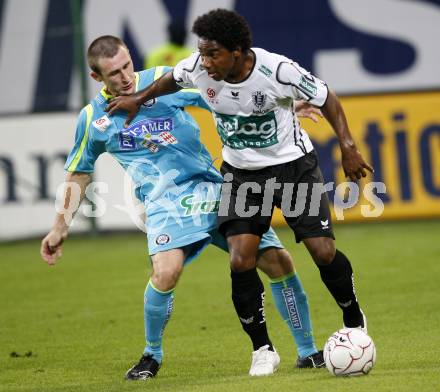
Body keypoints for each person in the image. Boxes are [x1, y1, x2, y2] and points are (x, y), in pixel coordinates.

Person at [40, 35, 326, 381]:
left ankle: (309, 352)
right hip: (166, 203)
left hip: (213, 187)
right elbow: (78, 173)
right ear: (97, 77)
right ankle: (151, 355)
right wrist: (60, 226)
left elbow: (218, 97)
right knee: (165, 273)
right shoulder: (93, 119)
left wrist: (284, 108)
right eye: (114, 73)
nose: (126, 77)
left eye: (127, 65)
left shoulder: (161, 81)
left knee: (278, 261)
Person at [105, 8, 373, 368]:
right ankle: (263, 349)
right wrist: (140, 98)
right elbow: (171, 78)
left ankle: (353, 317)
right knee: (240, 258)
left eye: (213, 53)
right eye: (202, 52)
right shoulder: (199, 68)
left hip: (293, 167)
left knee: (322, 252)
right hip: (244, 175)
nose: (205, 61)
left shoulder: (277, 70)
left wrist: (348, 146)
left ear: (238, 51)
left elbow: (327, 97)